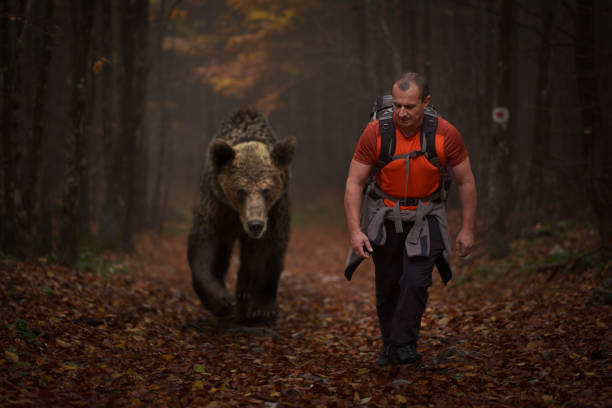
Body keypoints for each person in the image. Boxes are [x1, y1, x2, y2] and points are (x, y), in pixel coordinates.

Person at [343, 72, 477, 366]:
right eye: (396, 105)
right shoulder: (376, 133)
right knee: (388, 285)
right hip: (384, 216)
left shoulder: (445, 134)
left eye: (409, 106)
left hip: (426, 217)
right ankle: (390, 346)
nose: (401, 113)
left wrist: (467, 228)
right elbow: (354, 183)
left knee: (416, 282)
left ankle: (403, 344)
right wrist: (355, 231)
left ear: (426, 102)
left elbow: (466, 181)